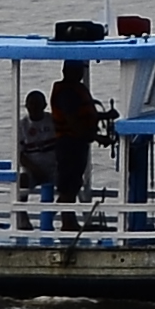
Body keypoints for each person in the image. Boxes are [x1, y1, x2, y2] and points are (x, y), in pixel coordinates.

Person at [46, 59, 109, 210]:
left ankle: (69, 219)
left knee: (74, 183)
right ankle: (67, 221)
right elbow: (73, 121)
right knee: (69, 185)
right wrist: (96, 137)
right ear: (67, 71)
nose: (82, 73)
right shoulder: (67, 93)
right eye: (79, 69)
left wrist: (105, 116)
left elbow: (84, 115)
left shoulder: (75, 89)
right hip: (69, 143)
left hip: (77, 143)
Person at [14, 89, 56, 223]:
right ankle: (22, 216)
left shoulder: (53, 121)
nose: (34, 108)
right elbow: (20, 155)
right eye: (31, 104)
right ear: (26, 106)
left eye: (37, 104)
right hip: (32, 168)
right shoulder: (22, 126)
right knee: (22, 180)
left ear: (44, 105)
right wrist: (35, 170)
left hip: (53, 167)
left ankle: (56, 217)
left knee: (69, 182)